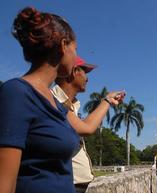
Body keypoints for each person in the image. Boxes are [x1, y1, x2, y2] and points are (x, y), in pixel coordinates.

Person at [0, 7, 124, 193]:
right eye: (75, 49)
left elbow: (86, 128)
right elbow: (4, 183)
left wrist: (107, 101)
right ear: (63, 46)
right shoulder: (17, 93)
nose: (75, 58)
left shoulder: (56, 103)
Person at [51, 56, 96, 193]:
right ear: (74, 71)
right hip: (66, 184)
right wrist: (107, 101)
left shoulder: (71, 105)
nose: (87, 78)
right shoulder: (55, 100)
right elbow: (85, 129)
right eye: (84, 72)